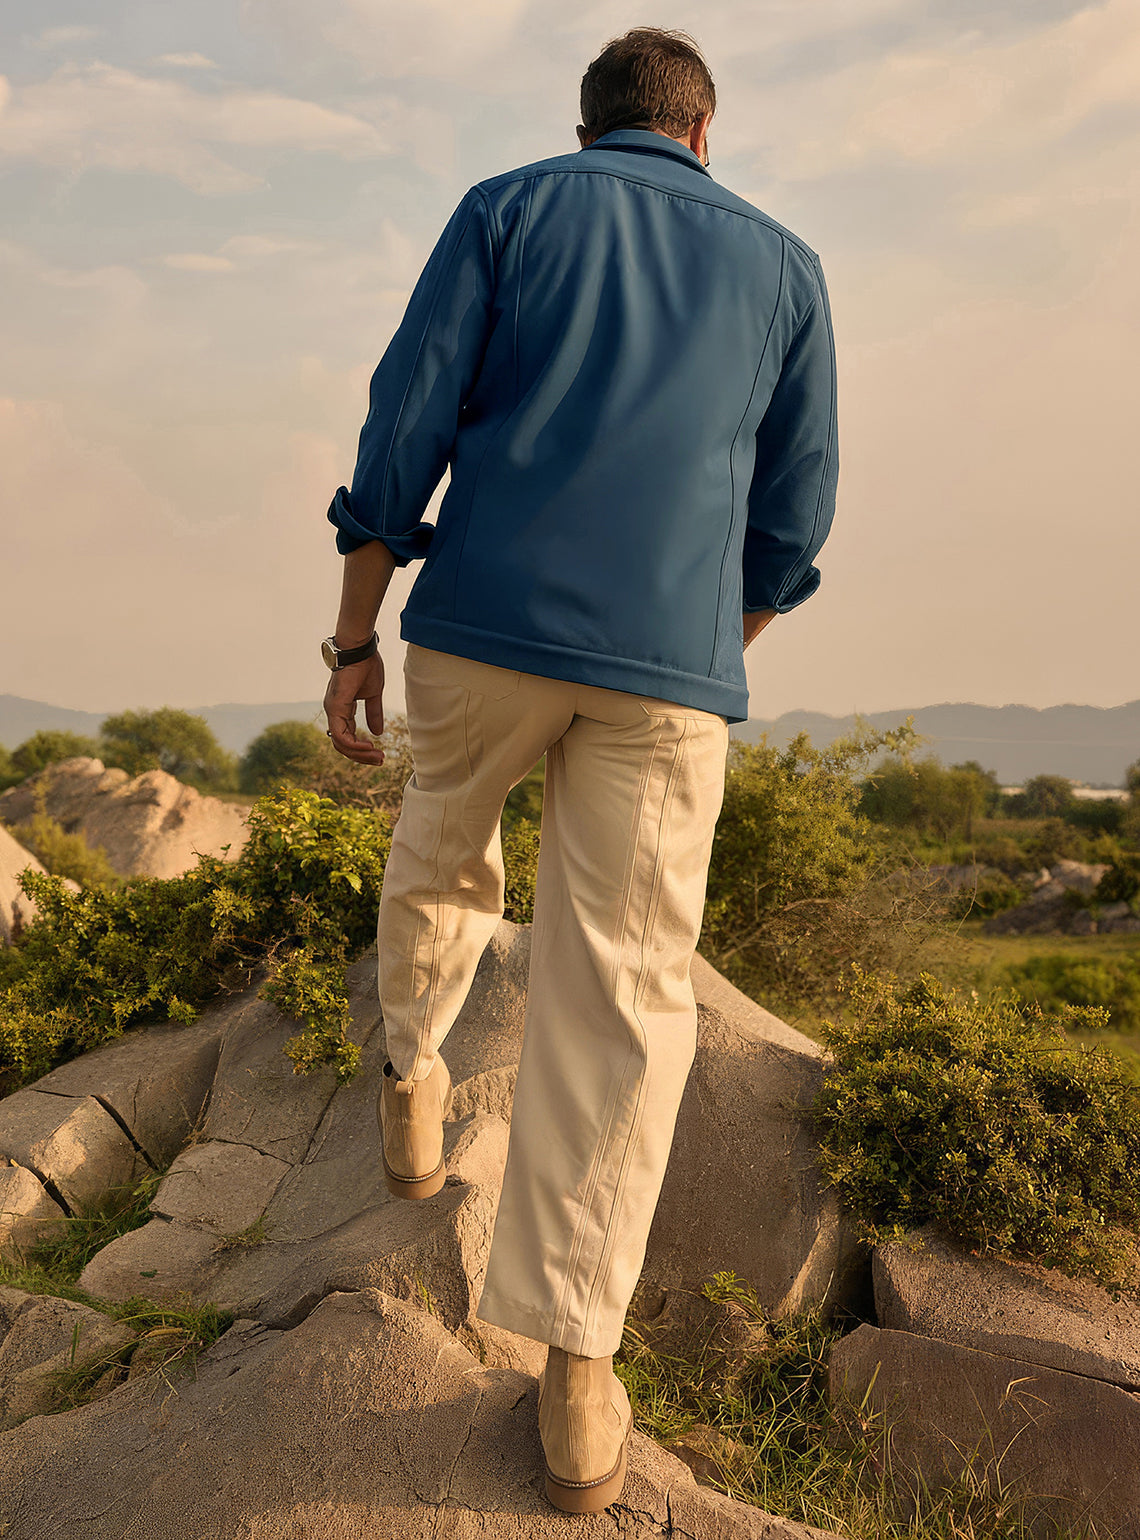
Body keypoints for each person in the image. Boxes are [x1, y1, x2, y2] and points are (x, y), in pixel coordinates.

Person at [321, 26, 838, 1514]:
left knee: (441, 843)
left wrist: (354, 639)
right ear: (703, 130)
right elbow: (798, 510)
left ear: (589, 123)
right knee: (625, 993)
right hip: (670, 674)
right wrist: (704, 640)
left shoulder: (509, 206)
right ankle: (577, 1364)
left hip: (483, 626)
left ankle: (415, 1074)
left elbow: (404, 422)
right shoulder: (788, 265)